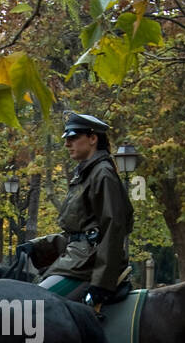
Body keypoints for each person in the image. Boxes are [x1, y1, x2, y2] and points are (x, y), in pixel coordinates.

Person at [19, 111, 133, 305]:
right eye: (66, 139)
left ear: (93, 138)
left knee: (32, 306)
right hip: (79, 262)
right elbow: (80, 234)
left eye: (73, 137)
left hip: (89, 267)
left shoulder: (102, 174)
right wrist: (38, 246)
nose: (67, 144)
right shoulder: (85, 174)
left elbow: (113, 229)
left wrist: (102, 283)